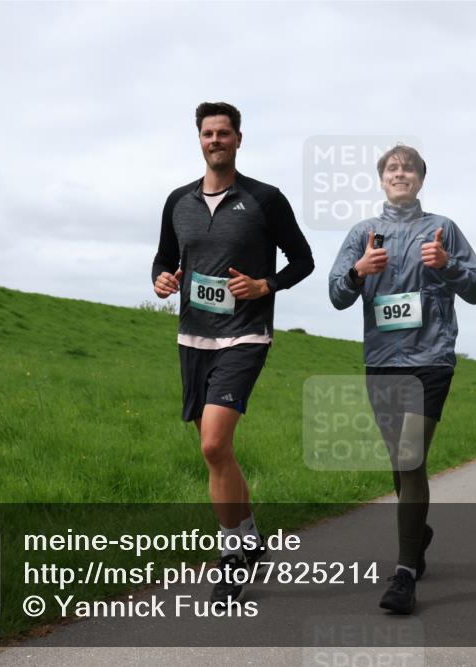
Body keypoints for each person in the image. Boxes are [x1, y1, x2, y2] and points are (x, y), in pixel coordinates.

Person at [152, 102, 314, 605]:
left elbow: (302, 261)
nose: (216, 140)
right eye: (208, 133)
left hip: (245, 334)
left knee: (212, 445)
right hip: (193, 337)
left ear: (239, 140)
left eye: (224, 133)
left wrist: (264, 284)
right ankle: (250, 536)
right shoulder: (178, 201)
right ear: (199, 140)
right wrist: (162, 278)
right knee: (218, 452)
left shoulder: (265, 199)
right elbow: (164, 257)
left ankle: (230, 558)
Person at [329, 145, 476, 614]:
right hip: (381, 360)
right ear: (381, 179)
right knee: (400, 465)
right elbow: (336, 295)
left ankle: (403, 575)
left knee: (410, 456)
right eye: (392, 168)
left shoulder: (444, 230)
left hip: (431, 360)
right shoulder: (363, 233)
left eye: (409, 169)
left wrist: (447, 264)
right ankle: (418, 532)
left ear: (420, 179)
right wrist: (358, 272)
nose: (401, 174)